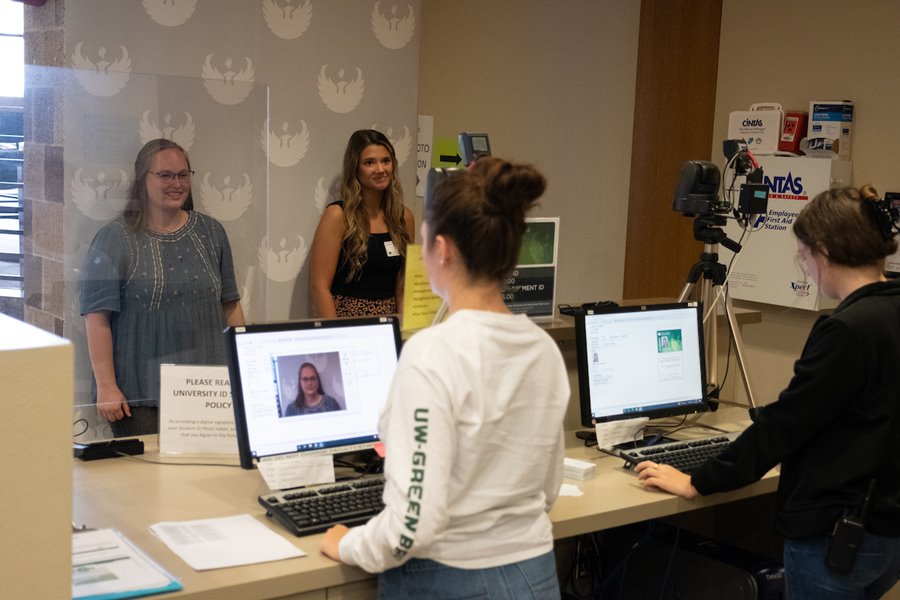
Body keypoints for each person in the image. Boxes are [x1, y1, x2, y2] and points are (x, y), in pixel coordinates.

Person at [319, 157, 569, 598]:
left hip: (450, 580)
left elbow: (410, 527)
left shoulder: (431, 354)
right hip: (534, 574)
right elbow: (546, 489)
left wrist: (348, 544)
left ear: (443, 250)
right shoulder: (542, 350)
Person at [636, 185, 900, 599]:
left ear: (825, 250)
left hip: (836, 532)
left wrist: (698, 481)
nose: (806, 268)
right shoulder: (891, 310)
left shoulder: (848, 329)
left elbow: (785, 427)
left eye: (803, 255)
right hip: (885, 531)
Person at [80, 138, 245, 437]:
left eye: (183, 175)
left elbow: (230, 305)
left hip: (208, 390)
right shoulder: (114, 237)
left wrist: (245, 368)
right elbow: (96, 317)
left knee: (206, 479)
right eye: (166, 175)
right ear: (143, 179)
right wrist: (106, 386)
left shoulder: (212, 232)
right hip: (139, 396)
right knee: (148, 483)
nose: (177, 183)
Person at [309, 129, 415, 318]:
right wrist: (335, 335)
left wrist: (404, 332)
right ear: (355, 169)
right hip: (347, 324)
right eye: (369, 163)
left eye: (386, 161)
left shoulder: (404, 217)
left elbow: (403, 284)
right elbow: (319, 287)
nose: (380, 169)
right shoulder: (338, 216)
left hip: (388, 326)